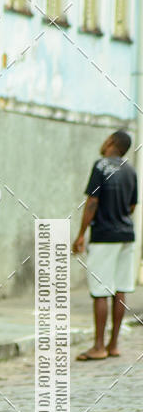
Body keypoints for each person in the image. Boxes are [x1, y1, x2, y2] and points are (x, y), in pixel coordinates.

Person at [72, 130, 138, 360]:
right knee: (120, 290)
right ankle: (113, 345)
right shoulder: (131, 170)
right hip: (126, 235)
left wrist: (81, 234)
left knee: (100, 291)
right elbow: (132, 206)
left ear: (111, 142)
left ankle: (98, 347)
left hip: (104, 235)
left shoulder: (100, 166)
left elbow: (92, 202)